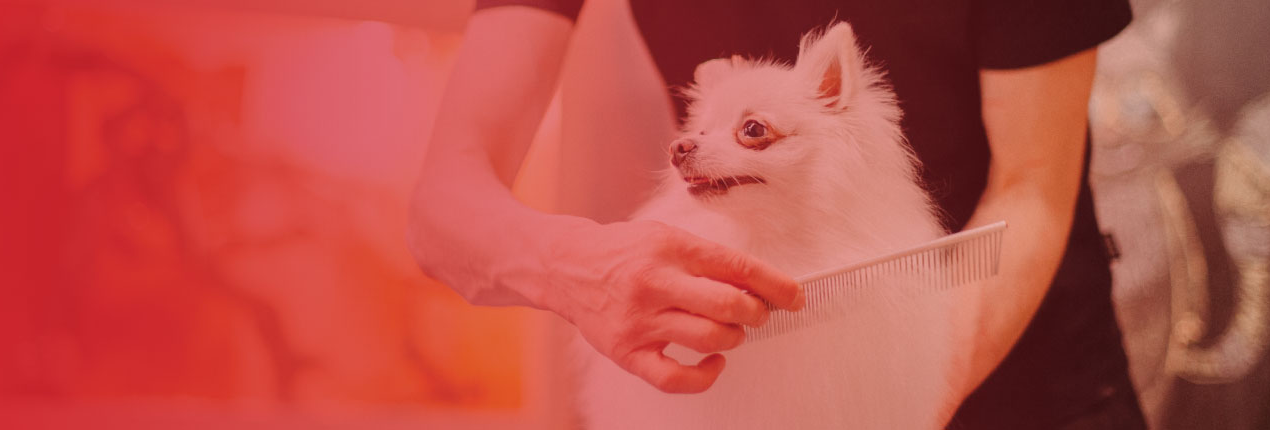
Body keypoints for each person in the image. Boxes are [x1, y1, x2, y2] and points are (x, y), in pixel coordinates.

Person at [405, 0, 1143, 428]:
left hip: (1021, 380)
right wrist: (580, 266)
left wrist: (902, 396)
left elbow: (1033, 188)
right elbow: (443, 210)